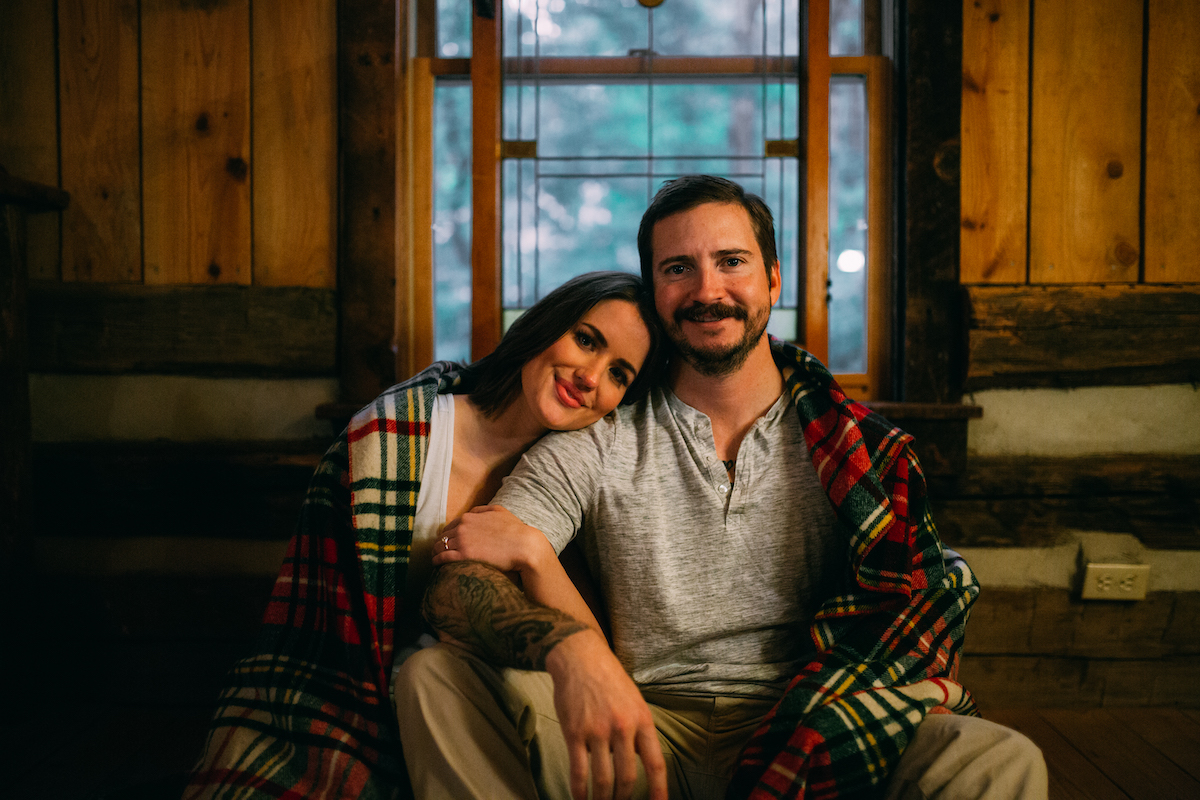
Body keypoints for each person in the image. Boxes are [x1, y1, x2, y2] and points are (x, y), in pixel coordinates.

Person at [399, 176, 1048, 800]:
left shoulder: (856, 451)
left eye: (731, 261)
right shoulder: (595, 437)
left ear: (772, 278)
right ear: (654, 293)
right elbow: (456, 585)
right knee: (434, 678)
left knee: (998, 760)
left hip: (811, 719)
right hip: (635, 727)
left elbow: (911, 618)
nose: (708, 290)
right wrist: (571, 651)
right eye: (678, 268)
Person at [184, 271, 665, 799]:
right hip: (344, 693)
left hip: (471, 704)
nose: (591, 375)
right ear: (543, 326)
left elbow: (594, 663)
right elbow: (321, 627)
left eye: (619, 373)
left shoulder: (579, 480)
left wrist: (533, 554)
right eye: (586, 339)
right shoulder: (395, 437)